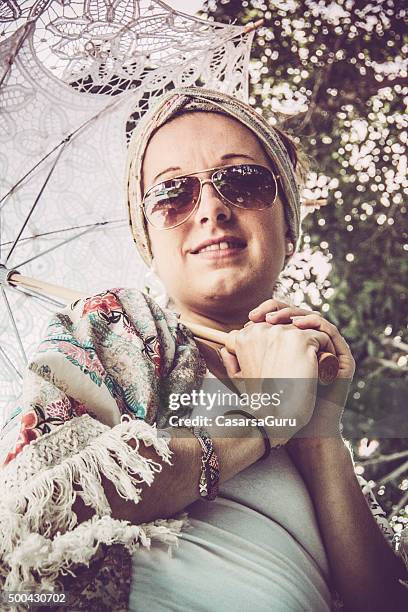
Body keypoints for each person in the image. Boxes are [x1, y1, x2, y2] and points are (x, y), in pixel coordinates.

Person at [0, 87, 406, 612]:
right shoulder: (118, 325)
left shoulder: (306, 390)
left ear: (288, 225)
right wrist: (265, 418)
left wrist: (318, 428)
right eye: (171, 193)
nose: (212, 208)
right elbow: (38, 502)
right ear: (148, 238)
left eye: (243, 181)